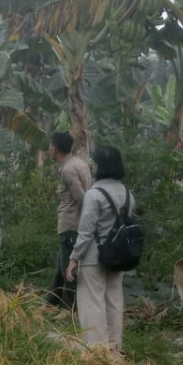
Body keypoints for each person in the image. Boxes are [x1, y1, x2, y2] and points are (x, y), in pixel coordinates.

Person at [66, 145, 128, 351]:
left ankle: (96, 355)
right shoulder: (126, 193)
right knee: (114, 303)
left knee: (92, 304)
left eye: (94, 163)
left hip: (93, 259)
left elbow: (85, 232)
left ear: (100, 166)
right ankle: (114, 351)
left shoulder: (94, 194)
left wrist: (74, 258)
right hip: (117, 257)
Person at [47, 132, 91, 311]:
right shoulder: (80, 163)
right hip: (74, 224)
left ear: (54, 149)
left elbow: (81, 197)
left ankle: (68, 309)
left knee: (69, 270)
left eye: (50, 146)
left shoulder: (68, 170)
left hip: (71, 224)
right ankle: (51, 302)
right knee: (61, 264)